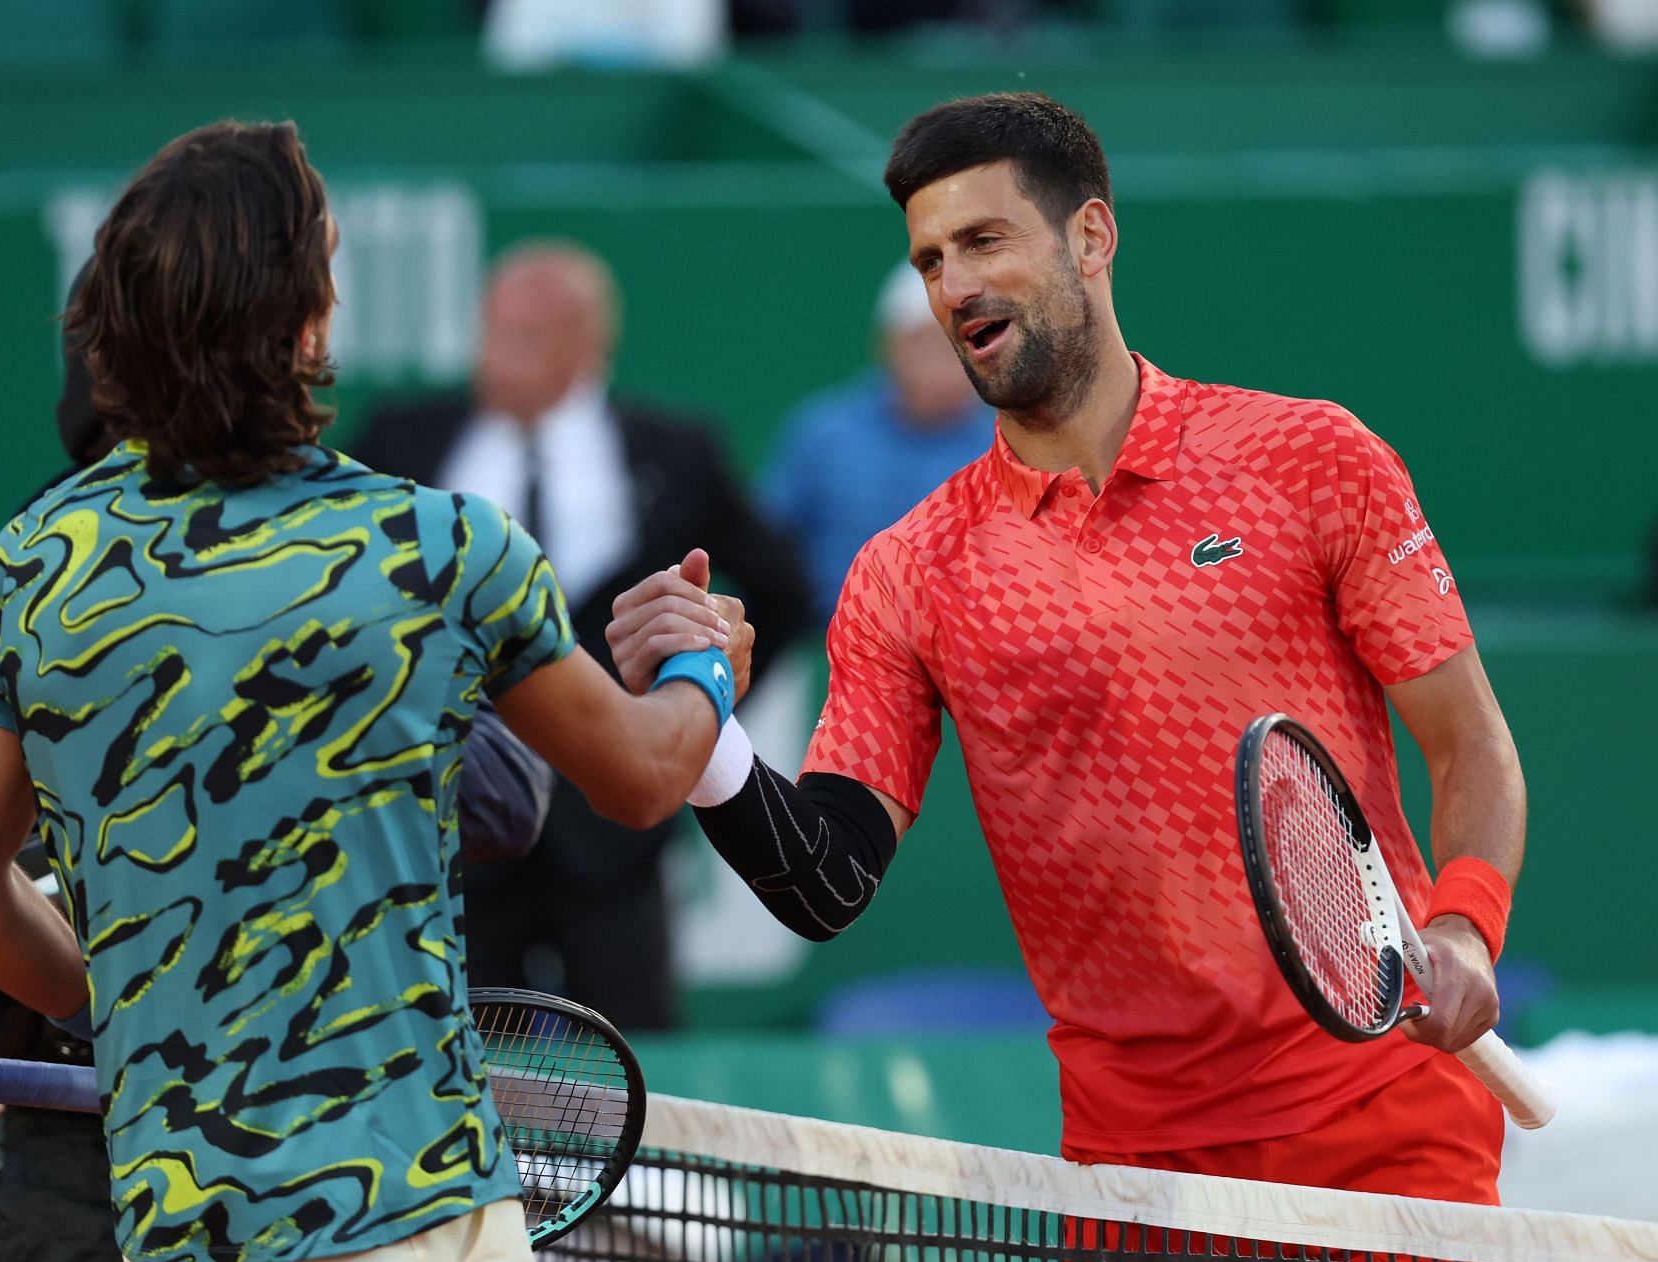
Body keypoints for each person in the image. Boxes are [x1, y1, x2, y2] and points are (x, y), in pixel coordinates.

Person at [607, 92, 1526, 1206]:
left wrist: (1466, 927)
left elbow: (1468, 740)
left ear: (1091, 237)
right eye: (932, 259)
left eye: (984, 241)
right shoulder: (910, 569)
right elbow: (827, 880)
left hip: (1382, 1121)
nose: (954, 286)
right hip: (1137, 1172)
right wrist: (707, 729)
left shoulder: (1313, 458)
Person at [0, 119, 748, 1262]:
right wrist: (704, 665)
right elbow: (643, 775)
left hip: (172, 1221)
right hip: (401, 1211)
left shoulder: (23, 572)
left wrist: (134, 1012)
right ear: (305, 321)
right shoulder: (438, 547)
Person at [0, 278, 559, 1262]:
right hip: (76, 1154)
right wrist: (48, 928)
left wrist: (281, 774)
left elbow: (510, 787)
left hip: (322, 1132)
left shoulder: (352, 590)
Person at [351, 239, 808, 1031]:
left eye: (525, 337)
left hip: (614, 833)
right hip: (456, 822)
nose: (496, 358)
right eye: (490, 331)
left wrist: (697, 712)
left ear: (586, 342)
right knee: (466, 1058)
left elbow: (782, 592)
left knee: (645, 1066)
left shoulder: (674, 450)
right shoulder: (401, 441)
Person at [761, 262, 987, 623]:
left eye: (964, 338)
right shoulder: (823, 434)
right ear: (892, 344)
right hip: (832, 645)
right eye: (931, 339)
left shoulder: (1008, 446)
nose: (949, 356)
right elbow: (765, 551)